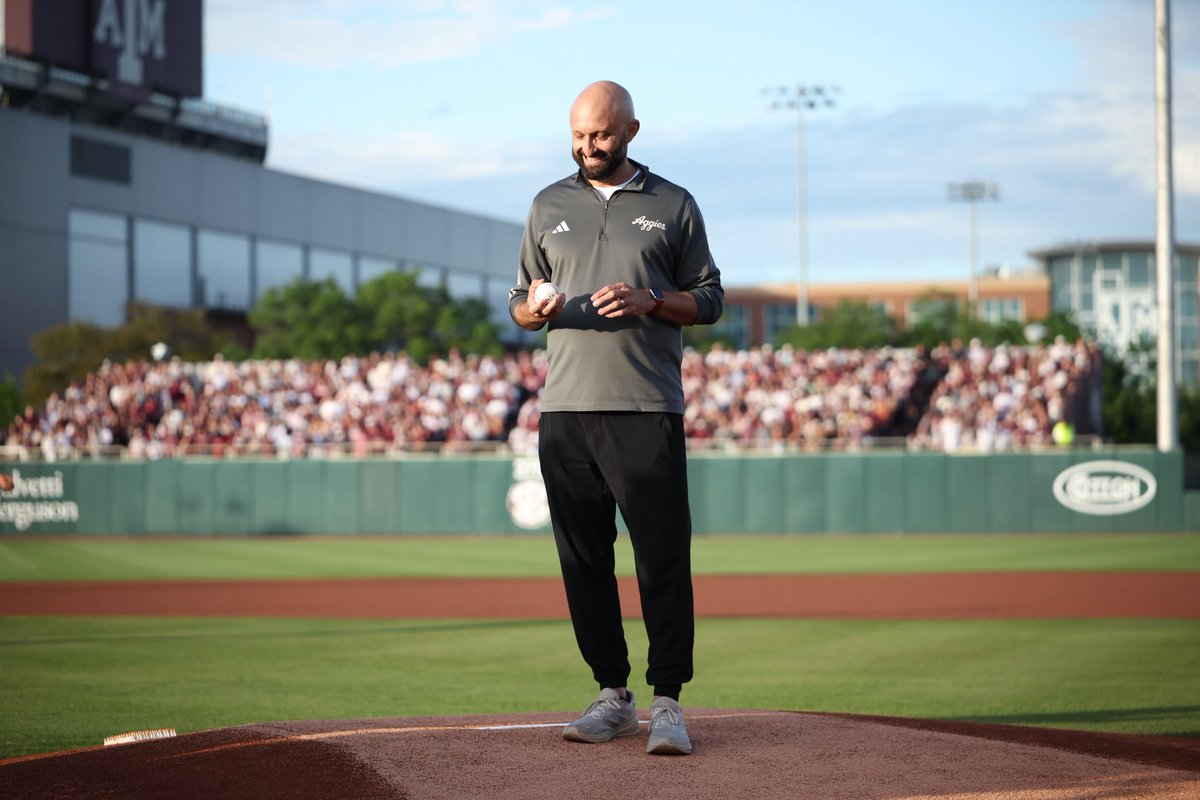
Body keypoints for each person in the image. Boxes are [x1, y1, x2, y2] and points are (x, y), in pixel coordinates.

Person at [508, 80, 724, 756]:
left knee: (661, 560)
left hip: (645, 408)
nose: (586, 146)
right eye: (577, 135)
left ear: (631, 131)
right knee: (584, 564)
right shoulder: (548, 205)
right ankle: (612, 694)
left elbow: (711, 299)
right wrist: (536, 308)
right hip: (565, 412)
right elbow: (518, 304)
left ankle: (667, 703)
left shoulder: (674, 204)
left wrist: (650, 299)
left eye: (599, 135)